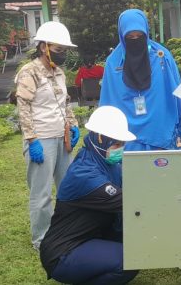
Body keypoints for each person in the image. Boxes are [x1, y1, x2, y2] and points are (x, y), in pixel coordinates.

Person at [40, 105, 138, 285]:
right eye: (117, 144)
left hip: (90, 236)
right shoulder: (85, 175)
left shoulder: (104, 161)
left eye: (123, 145)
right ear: (100, 138)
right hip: (64, 252)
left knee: (136, 242)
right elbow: (132, 201)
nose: (121, 149)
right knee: (130, 260)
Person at [15, 21, 80, 250]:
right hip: (41, 139)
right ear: (44, 47)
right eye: (59, 50)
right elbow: (23, 107)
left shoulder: (59, 72)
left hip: (61, 138)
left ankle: (65, 231)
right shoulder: (29, 72)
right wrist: (32, 140)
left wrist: (73, 125)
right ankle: (41, 239)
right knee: (41, 194)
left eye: (64, 50)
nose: (62, 54)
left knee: (67, 188)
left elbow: (66, 102)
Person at [99, 9, 181, 151]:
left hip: (159, 134)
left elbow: (177, 94)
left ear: (146, 33)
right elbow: (108, 100)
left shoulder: (161, 57)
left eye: (140, 36)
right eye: (130, 37)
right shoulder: (114, 63)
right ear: (122, 35)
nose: (135, 40)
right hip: (127, 138)